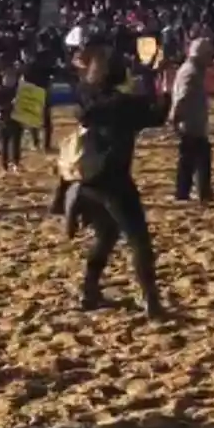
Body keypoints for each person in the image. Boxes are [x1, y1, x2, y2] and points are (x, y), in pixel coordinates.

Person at [64, 39, 170, 319]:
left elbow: (88, 88)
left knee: (107, 235)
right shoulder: (123, 104)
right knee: (139, 240)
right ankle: (151, 300)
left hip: (88, 180)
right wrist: (157, 79)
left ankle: (89, 290)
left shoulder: (85, 95)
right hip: (115, 181)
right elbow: (157, 114)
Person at [169, 38, 214, 204]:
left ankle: (187, 192)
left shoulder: (194, 70)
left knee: (190, 159)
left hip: (193, 121)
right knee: (197, 158)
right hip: (190, 122)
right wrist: (175, 117)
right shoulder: (191, 72)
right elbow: (183, 97)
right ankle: (200, 193)